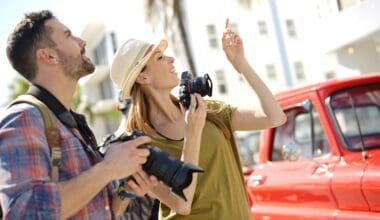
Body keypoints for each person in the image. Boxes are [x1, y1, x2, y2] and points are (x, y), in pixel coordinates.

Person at [109, 18, 287, 219]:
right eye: (159, 58)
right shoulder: (140, 144)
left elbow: (274, 117)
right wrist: (192, 133)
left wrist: (240, 63)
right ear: (142, 78)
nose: (171, 59)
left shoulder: (205, 110)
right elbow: (181, 204)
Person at [0, 10, 157, 219]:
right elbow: (26, 213)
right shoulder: (23, 118)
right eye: (68, 35)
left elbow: (94, 209)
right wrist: (108, 168)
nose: (81, 41)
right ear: (48, 56)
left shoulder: (71, 123)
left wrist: (125, 192)